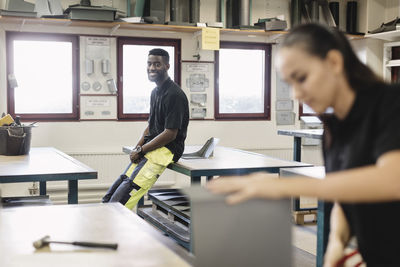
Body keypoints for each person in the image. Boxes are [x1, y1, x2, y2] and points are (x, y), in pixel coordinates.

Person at [207, 23, 400, 267]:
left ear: (333, 62)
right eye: (290, 83)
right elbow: (344, 194)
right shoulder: (334, 129)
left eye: (302, 78)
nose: (297, 94)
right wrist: (337, 243)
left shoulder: (391, 103)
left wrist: (282, 187)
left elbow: (392, 180)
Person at [103, 48, 189, 210]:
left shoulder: (174, 94)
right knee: (109, 197)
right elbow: (151, 126)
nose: (152, 68)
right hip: (151, 147)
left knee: (118, 204)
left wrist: (142, 150)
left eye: (157, 64)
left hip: (167, 150)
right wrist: (137, 148)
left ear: (167, 66)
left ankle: (114, 231)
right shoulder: (155, 92)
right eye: (149, 64)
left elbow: (170, 134)